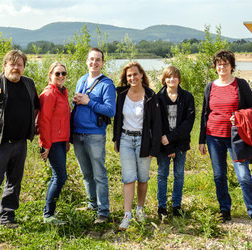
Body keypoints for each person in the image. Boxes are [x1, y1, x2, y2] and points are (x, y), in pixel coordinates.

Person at [198, 50, 252, 230]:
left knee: (244, 176)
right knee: (219, 175)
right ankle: (225, 210)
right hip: (213, 137)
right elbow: (205, 114)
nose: (222, 67)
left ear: (231, 66)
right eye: (219, 64)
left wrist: (238, 116)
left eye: (226, 64)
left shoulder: (241, 84)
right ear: (215, 66)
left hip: (236, 137)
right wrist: (201, 140)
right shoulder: (210, 87)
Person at [0, 50, 39, 234]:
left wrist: (32, 125)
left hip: (20, 143)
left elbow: (36, 108)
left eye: (20, 65)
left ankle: (7, 217)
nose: (16, 68)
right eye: (12, 64)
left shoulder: (29, 83)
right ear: (4, 65)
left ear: (24, 67)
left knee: (14, 181)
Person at [113, 62, 161, 230]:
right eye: (129, 76)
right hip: (125, 139)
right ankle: (127, 215)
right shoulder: (121, 95)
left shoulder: (150, 95)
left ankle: (140, 209)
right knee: (128, 178)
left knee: (142, 178)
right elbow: (117, 119)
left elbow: (156, 124)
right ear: (126, 78)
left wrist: (154, 147)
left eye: (135, 74)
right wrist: (115, 140)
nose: (132, 78)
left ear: (141, 75)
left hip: (144, 141)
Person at [71, 48, 116, 224]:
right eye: (91, 59)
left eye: (98, 60)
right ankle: (92, 205)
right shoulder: (82, 79)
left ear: (102, 63)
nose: (94, 63)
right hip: (77, 133)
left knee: (99, 174)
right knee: (86, 173)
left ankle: (103, 212)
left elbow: (110, 110)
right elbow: (78, 102)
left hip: (95, 135)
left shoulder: (107, 84)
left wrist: (89, 102)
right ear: (87, 61)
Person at [156, 66, 195, 220]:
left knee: (179, 175)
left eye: (174, 77)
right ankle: (162, 208)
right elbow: (157, 124)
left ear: (179, 79)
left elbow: (188, 123)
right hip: (162, 144)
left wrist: (171, 140)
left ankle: (176, 207)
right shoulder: (157, 98)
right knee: (162, 175)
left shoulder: (187, 97)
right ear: (164, 79)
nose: (171, 80)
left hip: (180, 143)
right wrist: (167, 146)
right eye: (168, 77)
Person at [38, 62, 70, 224]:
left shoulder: (62, 92)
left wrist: (67, 140)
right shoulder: (49, 94)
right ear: (50, 75)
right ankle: (48, 214)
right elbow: (43, 121)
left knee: (57, 176)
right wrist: (46, 145)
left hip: (60, 141)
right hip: (52, 143)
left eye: (63, 73)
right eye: (57, 73)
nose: (61, 76)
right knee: (60, 176)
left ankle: (49, 213)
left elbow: (63, 120)